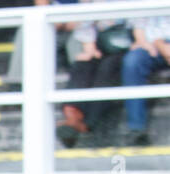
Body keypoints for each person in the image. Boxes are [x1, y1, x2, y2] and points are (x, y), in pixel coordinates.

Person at [57, 9, 129, 147]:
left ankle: (88, 123)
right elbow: (85, 19)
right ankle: (72, 114)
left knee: (108, 68)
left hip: (131, 41)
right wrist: (90, 47)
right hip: (99, 41)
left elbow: (140, 20)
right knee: (81, 65)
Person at [122, 15, 170, 145]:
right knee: (133, 62)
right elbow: (140, 21)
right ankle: (136, 129)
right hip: (152, 43)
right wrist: (160, 45)